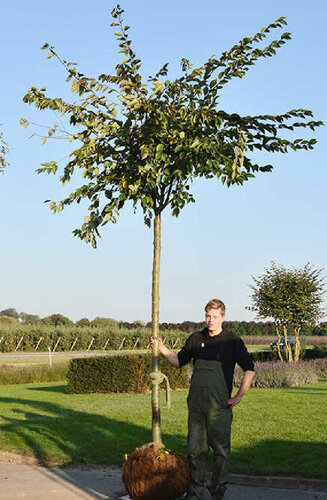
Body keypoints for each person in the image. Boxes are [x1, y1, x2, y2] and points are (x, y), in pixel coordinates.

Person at [150, 299, 255, 500]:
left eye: (215, 317)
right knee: (195, 451)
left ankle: (218, 488)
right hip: (197, 407)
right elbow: (178, 362)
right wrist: (162, 348)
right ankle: (195, 491)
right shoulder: (195, 339)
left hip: (220, 406)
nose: (210, 320)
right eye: (208, 316)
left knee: (221, 451)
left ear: (223, 317)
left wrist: (239, 396)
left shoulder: (232, 341)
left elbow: (249, 368)